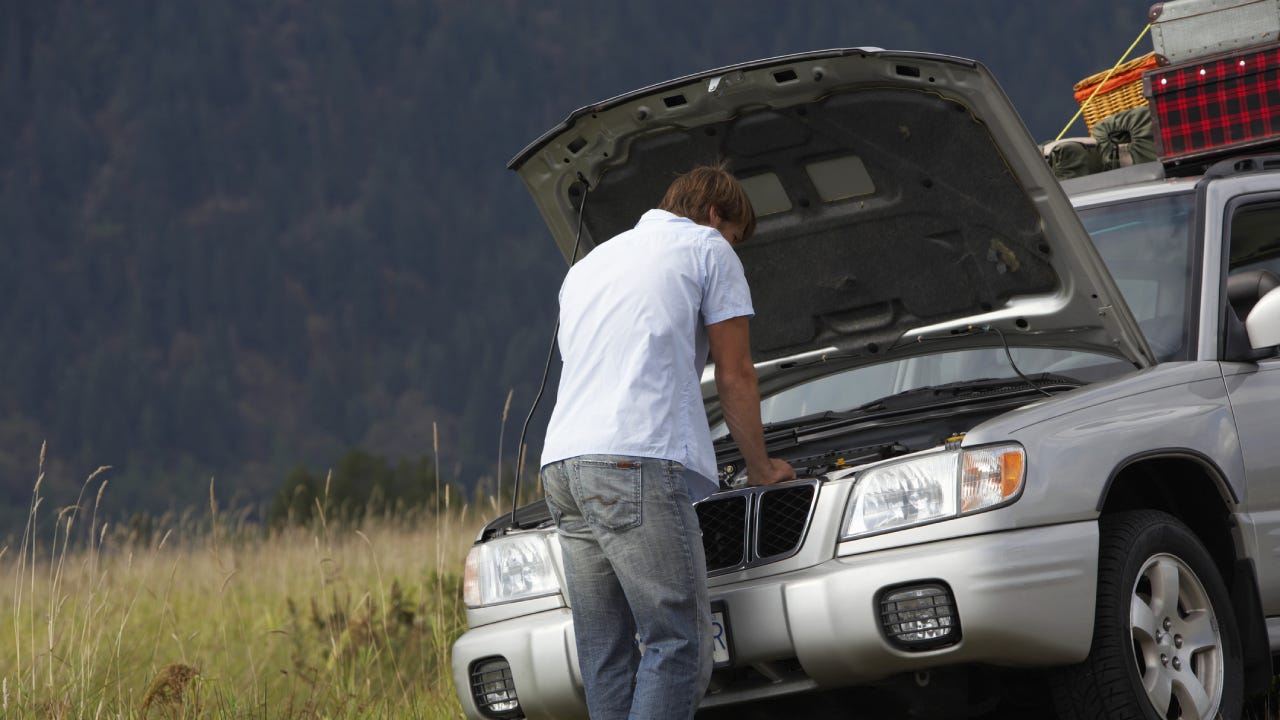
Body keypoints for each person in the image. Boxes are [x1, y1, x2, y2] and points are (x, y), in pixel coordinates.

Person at [540, 164, 796, 720]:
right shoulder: (709, 249)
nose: (734, 248)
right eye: (735, 236)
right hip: (635, 460)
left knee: (605, 654)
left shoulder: (591, 264)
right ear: (713, 216)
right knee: (679, 646)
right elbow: (735, 373)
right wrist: (761, 468)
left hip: (562, 464)